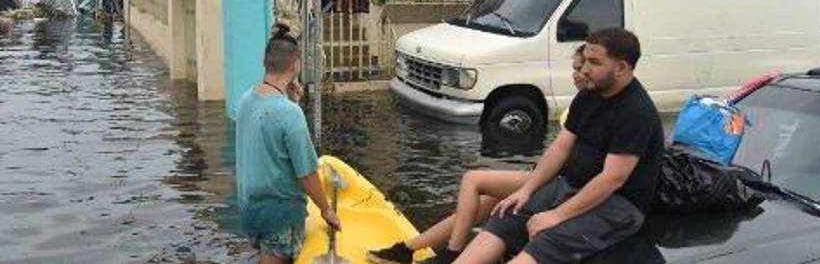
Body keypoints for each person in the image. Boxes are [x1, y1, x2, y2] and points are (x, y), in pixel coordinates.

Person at [453, 28, 663, 264]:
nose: (584, 70)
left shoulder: (636, 112)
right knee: (508, 215)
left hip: (617, 206)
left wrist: (557, 215)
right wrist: (526, 190)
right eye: (585, 61)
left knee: (548, 239)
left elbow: (612, 179)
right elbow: (560, 148)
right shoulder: (589, 95)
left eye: (594, 62)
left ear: (622, 68)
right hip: (570, 185)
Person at [369, 46, 590, 264]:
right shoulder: (584, 103)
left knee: (473, 180)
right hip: (547, 174)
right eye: (575, 68)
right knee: (482, 204)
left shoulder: (590, 106)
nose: (577, 74)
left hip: (556, 181)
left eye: (582, 68)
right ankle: (408, 248)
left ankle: (453, 252)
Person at [236, 25, 341, 263]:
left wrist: (292, 101)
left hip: (250, 212)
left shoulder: (245, 100)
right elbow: (307, 174)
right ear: (295, 66)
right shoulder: (289, 114)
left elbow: (267, 137)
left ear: (266, 63)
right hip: (279, 218)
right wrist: (326, 210)